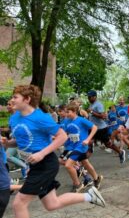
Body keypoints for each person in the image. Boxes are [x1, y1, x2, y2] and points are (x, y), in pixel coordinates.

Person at [2, 85, 105, 218]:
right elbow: (21, 141)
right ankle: (89, 196)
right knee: (52, 204)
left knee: (19, 203)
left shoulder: (40, 117)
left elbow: (62, 136)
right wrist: (8, 143)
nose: (12, 100)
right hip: (34, 165)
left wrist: (41, 153)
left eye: (15, 97)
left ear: (27, 99)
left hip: (46, 164)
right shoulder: (15, 118)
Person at [87, 90, 125, 163]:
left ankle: (120, 152)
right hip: (93, 128)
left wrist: (91, 112)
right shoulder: (91, 104)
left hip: (101, 129)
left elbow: (103, 116)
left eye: (90, 97)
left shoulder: (98, 104)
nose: (89, 98)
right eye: (88, 97)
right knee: (88, 143)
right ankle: (84, 161)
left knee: (108, 144)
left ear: (95, 97)